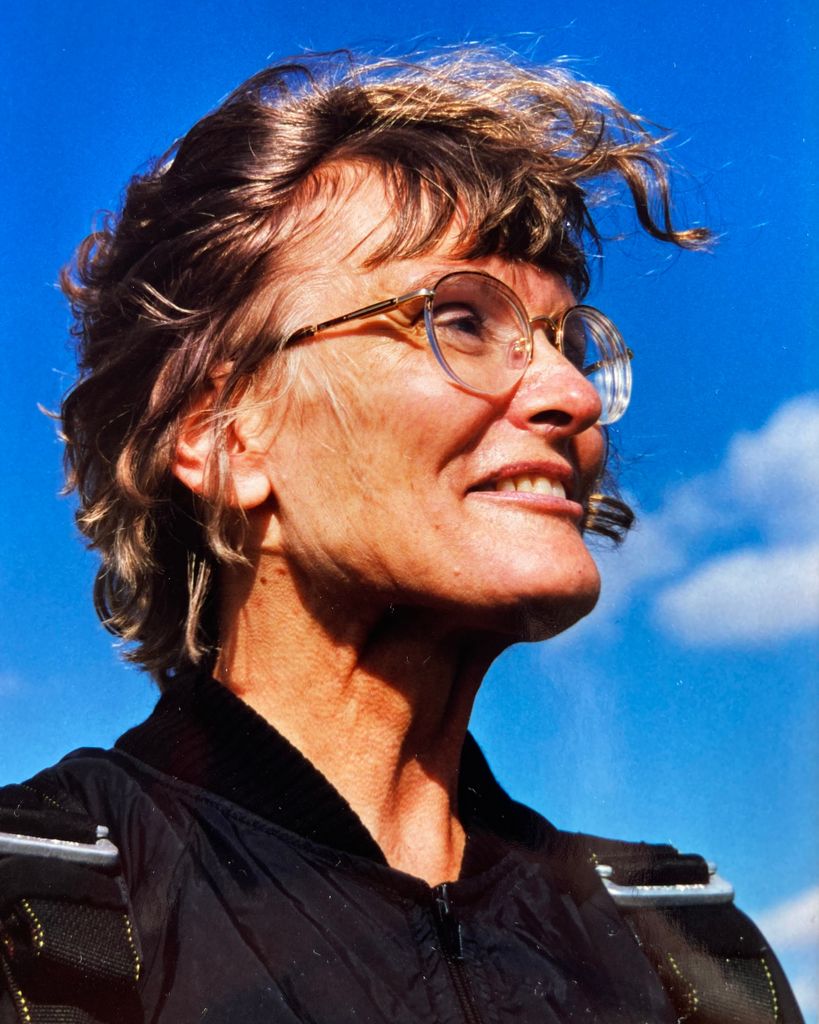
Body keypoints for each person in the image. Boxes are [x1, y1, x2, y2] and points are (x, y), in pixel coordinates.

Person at [0, 50, 803, 1023]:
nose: (573, 394)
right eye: (459, 320)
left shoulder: (691, 960)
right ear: (223, 435)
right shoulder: (37, 927)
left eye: (568, 342)